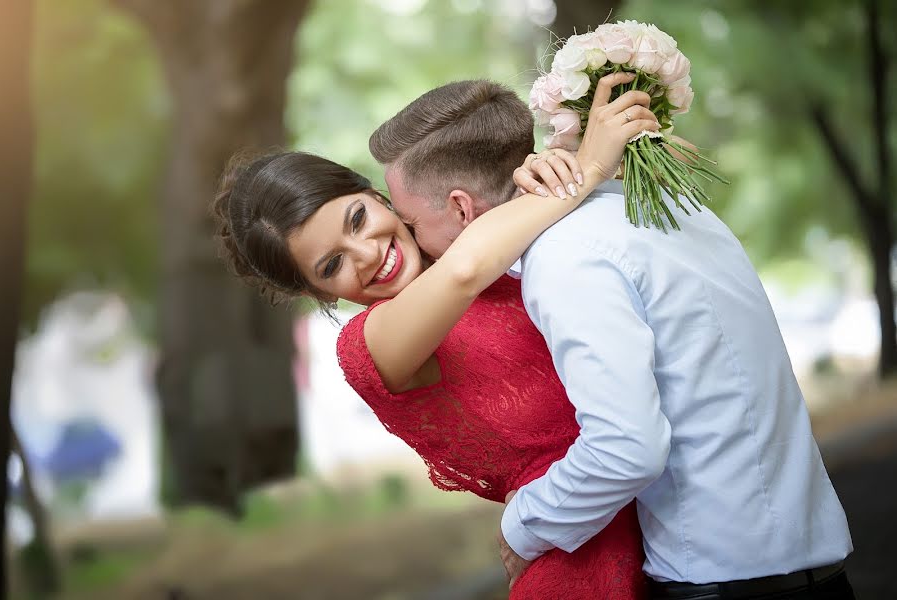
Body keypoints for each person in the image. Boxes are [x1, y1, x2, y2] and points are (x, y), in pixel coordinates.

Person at [368, 79, 855, 599]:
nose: (414, 241)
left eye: (413, 223)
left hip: (725, 580)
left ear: (462, 209)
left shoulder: (563, 258)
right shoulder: (666, 201)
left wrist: (523, 525)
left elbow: (628, 447)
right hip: (820, 567)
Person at [214, 73, 661, 599]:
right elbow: (466, 270)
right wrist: (586, 165)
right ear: (320, 292)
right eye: (332, 264)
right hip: (586, 555)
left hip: (674, 519)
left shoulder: (479, 231)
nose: (367, 254)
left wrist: (543, 170)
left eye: (358, 219)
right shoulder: (373, 344)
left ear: (374, 194)